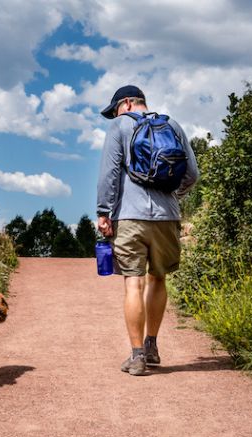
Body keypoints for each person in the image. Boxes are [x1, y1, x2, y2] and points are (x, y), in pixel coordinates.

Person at [96, 85, 200, 376]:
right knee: (158, 279)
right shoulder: (172, 124)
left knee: (133, 283)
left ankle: (137, 356)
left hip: (130, 216)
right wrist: (170, 198)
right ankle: (152, 345)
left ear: (127, 103)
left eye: (115, 108)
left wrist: (103, 212)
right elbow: (192, 174)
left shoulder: (120, 126)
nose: (114, 114)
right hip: (167, 217)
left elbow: (109, 173)